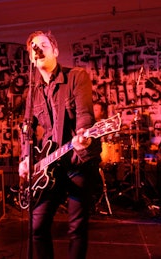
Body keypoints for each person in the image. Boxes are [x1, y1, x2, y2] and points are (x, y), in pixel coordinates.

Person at [18, 31, 101, 259]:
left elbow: (85, 114)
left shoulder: (76, 77)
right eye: (34, 47)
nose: (39, 49)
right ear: (31, 59)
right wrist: (25, 158)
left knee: (76, 228)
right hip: (49, 164)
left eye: (43, 44)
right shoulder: (33, 91)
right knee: (36, 227)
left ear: (55, 51)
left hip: (77, 160)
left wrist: (83, 136)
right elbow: (27, 128)